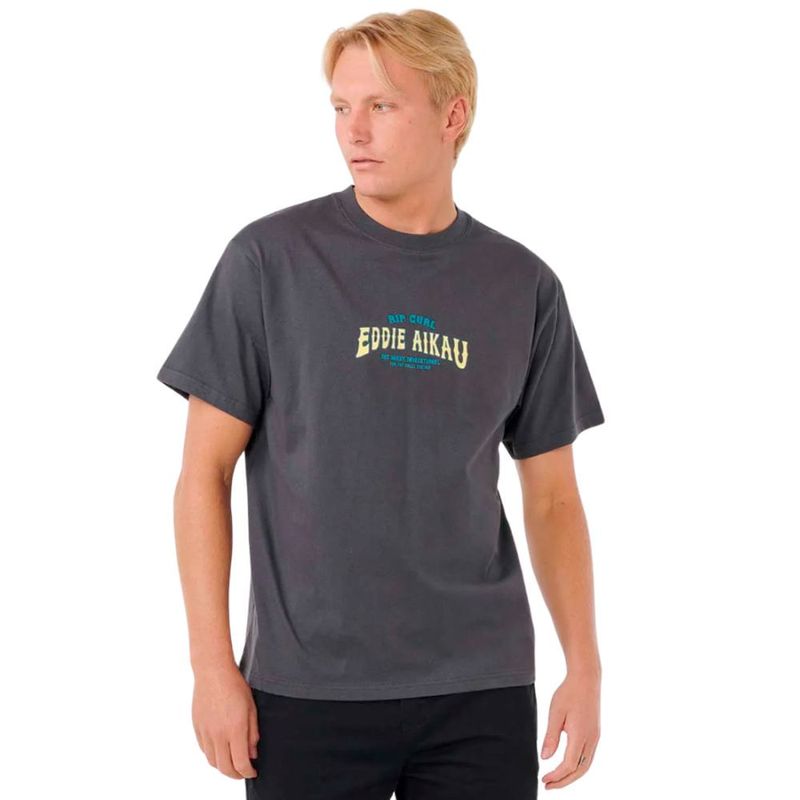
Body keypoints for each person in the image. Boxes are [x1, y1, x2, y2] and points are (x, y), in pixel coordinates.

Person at [156, 9, 605, 799]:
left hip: (480, 686)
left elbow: (554, 498)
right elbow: (203, 474)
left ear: (452, 116)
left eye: (381, 106)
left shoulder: (523, 286)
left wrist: (585, 666)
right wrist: (211, 666)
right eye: (340, 107)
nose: (353, 131)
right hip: (306, 690)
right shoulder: (268, 261)